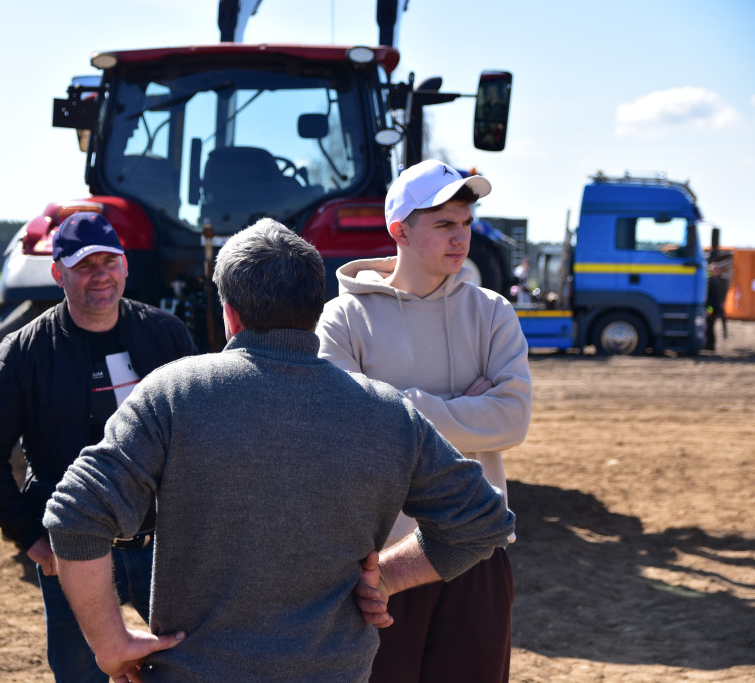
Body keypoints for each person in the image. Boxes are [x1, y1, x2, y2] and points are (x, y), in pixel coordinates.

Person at [43, 218, 517, 682]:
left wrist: (111, 646)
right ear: (317, 308)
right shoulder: (387, 413)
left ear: (230, 313)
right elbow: (482, 521)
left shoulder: (173, 393)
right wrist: (386, 578)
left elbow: (75, 515)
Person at [316, 159, 532, 683]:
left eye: (465, 223)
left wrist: (393, 404)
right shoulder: (343, 318)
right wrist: (462, 403)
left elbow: (513, 419)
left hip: (478, 549)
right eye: (443, 224)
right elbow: (343, 429)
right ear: (400, 231)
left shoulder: (493, 311)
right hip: (381, 563)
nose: (461, 238)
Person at [0, 212, 197, 682]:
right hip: (74, 552)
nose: (101, 275)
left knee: (185, 670)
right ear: (57, 272)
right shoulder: (24, 351)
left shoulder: (166, 335)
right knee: (80, 675)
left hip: (162, 549)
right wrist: (30, 536)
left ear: (126, 266)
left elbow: (202, 434)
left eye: (110, 261)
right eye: (85, 265)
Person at [705, 261, 729, 351]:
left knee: (721, 322)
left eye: (716, 269)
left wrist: (723, 302)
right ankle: (709, 345)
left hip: (719, 306)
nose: (714, 271)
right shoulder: (708, 280)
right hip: (710, 306)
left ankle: (724, 335)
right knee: (709, 324)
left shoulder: (722, 280)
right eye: (713, 269)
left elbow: (725, 293)